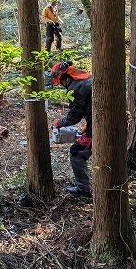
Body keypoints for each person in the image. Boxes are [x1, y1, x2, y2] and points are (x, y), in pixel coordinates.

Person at [50, 61, 92, 196]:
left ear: (65, 78)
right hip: (102, 122)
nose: (63, 87)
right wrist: (88, 126)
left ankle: (83, 189)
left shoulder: (75, 88)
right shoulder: (88, 79)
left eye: (62, 83)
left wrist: (59, 123)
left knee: (76, 152)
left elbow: (73, 117)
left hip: (101, 127)